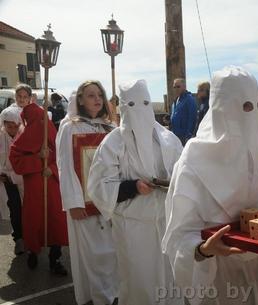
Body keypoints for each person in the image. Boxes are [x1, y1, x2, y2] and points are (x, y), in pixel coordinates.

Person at [162, 66, 258, 305]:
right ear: (221, 108)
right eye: (244, 107)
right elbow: (179, 236)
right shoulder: (193, 162)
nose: (251, 115)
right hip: (223, 280)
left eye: (256, 106)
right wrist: (202, 249)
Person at [88, 79, 183, 305]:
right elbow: (99, 186)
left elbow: (184, 171)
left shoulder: (169, 139)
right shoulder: (113, 143)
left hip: (166, 221)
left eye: (145, 103)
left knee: (169, 280)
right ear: (122, 107)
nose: (139, 109)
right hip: (132, 226)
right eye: (132, 104)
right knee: (139, 282)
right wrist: (133, 187)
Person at [56, 81, 118, 305]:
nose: (97, 99)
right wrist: (73, 202)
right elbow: (65, 165)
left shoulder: (110, 128)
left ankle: (115, 293)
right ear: (80, 100)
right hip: (84, 202)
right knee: (94, 254)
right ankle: (100, 297)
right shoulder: (70, 127)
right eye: (91, 95)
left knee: (113, 252)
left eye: (100, 94)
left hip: (110, 200)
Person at [9, 102, 68, 275]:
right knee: (34, 221)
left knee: (55, 221)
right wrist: (37, 158)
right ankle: (33, 251)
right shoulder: (22, 140)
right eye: (37, 120)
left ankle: (55, 258)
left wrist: (52, 168)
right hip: (34, 188)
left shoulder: (54, 135)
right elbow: (17, 163)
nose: (41, 124)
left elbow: (63, 158)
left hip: (53, 185)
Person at [0, 105, 24, 255]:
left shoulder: (24, 135)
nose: (13, 130)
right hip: (7, 179)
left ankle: (31, 238)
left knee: (27, 209)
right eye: (10, 126)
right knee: (14, 209)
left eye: (16, 126)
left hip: (24, 179)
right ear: (4, 125)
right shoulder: (0, 136)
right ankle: (19, 240)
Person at [170, 78, 197, 145]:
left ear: (184, 87)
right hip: (175, 134)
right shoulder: (176, 100)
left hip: (184, 136)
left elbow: (192, 118)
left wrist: (189, 135)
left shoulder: (189, 99)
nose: (176, 89)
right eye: (174, 87)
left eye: (178, 87)